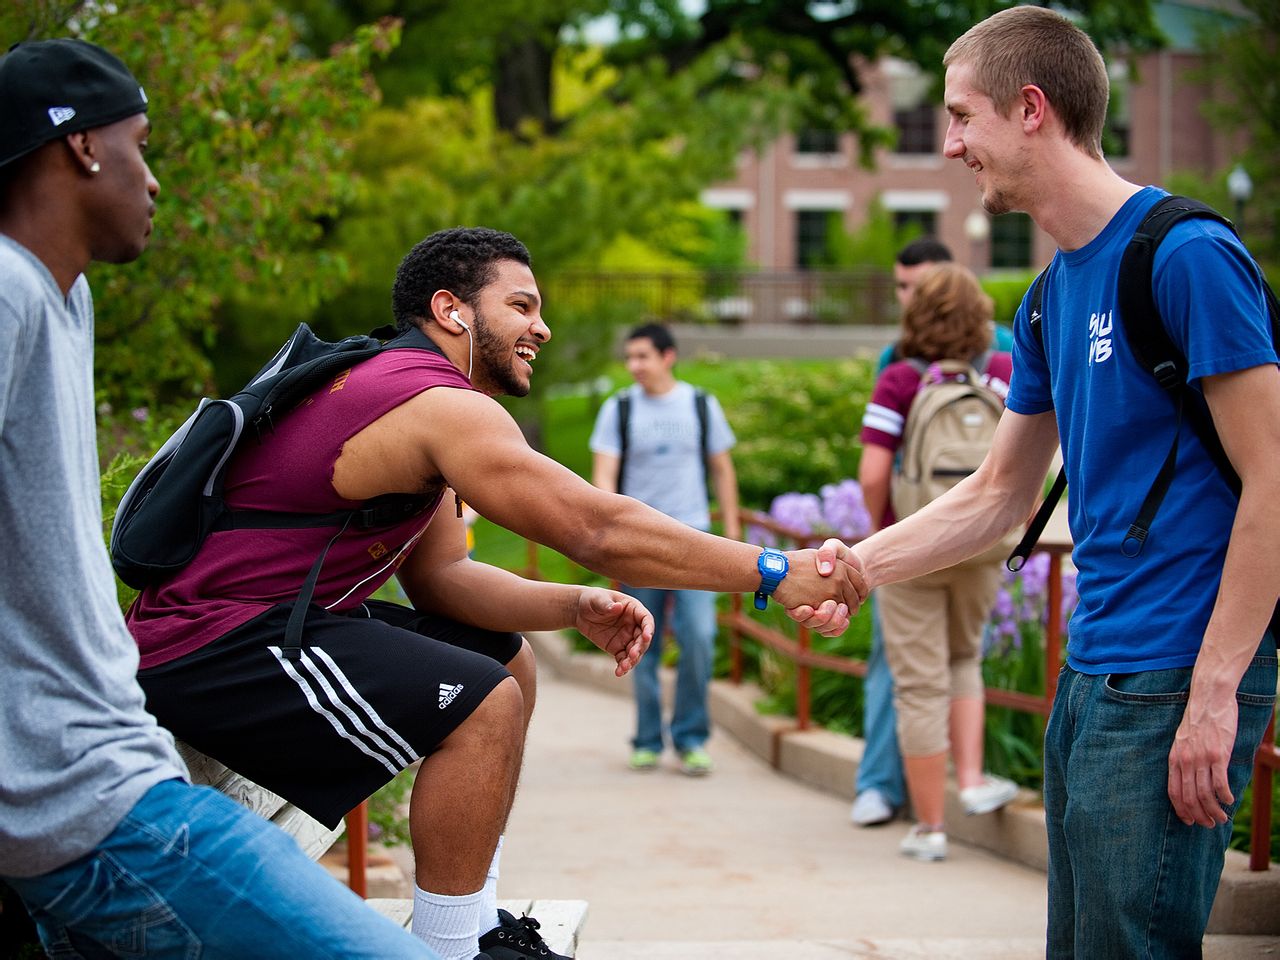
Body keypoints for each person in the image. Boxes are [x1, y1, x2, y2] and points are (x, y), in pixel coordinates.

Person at [126, 226, 867, 960]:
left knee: (506, 663)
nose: (540, 327)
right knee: (481, 703)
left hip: (261, 628)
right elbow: (597, 528)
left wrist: (573, 607)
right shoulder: (433, 401)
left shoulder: (404, 390)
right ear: (453, 311)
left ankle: (475, 924)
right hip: (213, 641)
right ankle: (449, 953)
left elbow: (442, 580)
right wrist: (773, 571)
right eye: (521, 305)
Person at [837, 6, 1278, 955]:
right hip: (1094, 673)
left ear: (1030, 108)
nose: (950, 144)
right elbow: (999, 493)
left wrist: (1214, 694)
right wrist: (852, 567)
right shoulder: (1046, 298)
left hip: (1173, 676)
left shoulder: (1186, 256)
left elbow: (1276, 478)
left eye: (961, 116)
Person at [0, 38, 438, 959]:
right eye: (141, 144)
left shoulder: (60, 299)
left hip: (104, 777)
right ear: (81, 147)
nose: (152, 179)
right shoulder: (7, 291)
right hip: (89, 804)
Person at [854, 238, 1017, 830]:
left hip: (914, 549)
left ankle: (929, 827)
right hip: (981, 545)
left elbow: (873, 472)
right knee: (964, 659)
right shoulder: (1002, 369)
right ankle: (971, 783)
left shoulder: (900, 376)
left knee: (918, 684)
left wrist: (884, 530)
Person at [589, 323, 741, 776]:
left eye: (643, 356)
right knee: (640, 641)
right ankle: (648, 739)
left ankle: (692, 738)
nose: (634, 366)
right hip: (639, 546)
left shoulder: (699, 404)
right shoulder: (617, 409)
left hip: (695, 540)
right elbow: (603, 478)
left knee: (698, 637)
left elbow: (722, 469)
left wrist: (732, 533)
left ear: (667, 356)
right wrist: (609, 540)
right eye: (629, 357)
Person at [853, 237, 958, 827]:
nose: (909, 298)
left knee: (952, 662)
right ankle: (882, 782)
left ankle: (932, 794)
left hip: (963, 533)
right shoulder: (895, 355)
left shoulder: (998, 345)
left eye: (920, 286)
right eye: (901, 286)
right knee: (895, 660)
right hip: (930, 535)